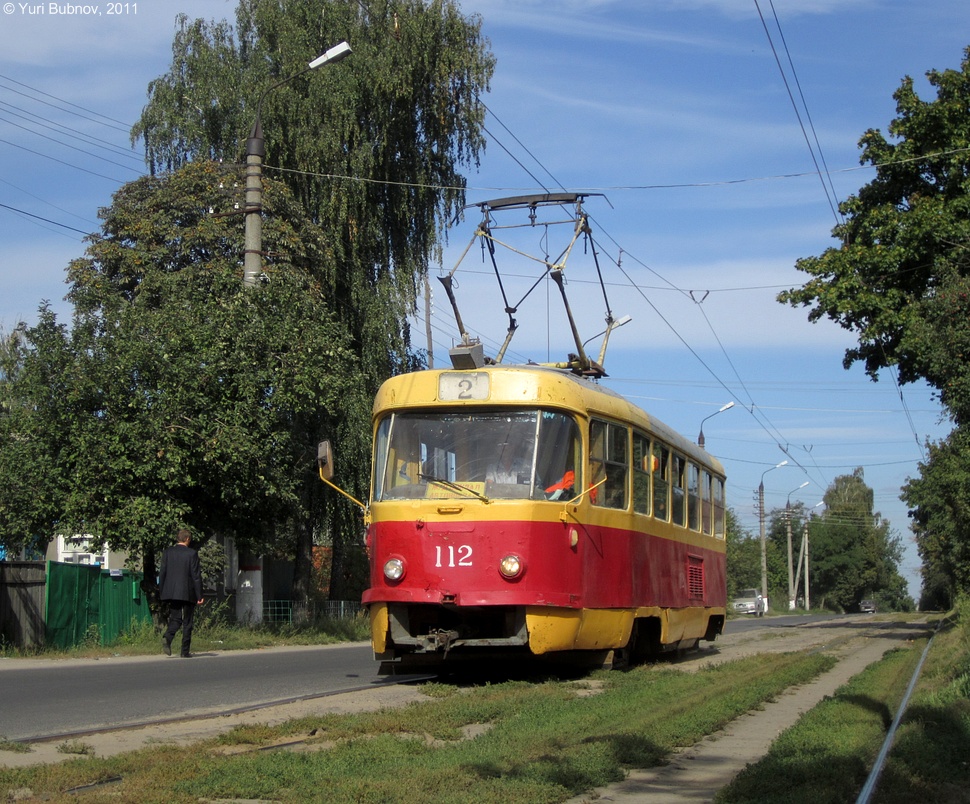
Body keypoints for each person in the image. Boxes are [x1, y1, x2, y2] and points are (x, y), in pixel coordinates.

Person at [159, 528, 204, 658]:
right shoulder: (191, 554)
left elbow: (162, 573)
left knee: (176, 618)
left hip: (172, 592)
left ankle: (168, 637)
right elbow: (196, 576)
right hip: (188, 591)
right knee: (187, 621)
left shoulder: (168, 552)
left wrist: (162, 591)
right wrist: (199, 595)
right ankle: (185, 651)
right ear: (187, 539)